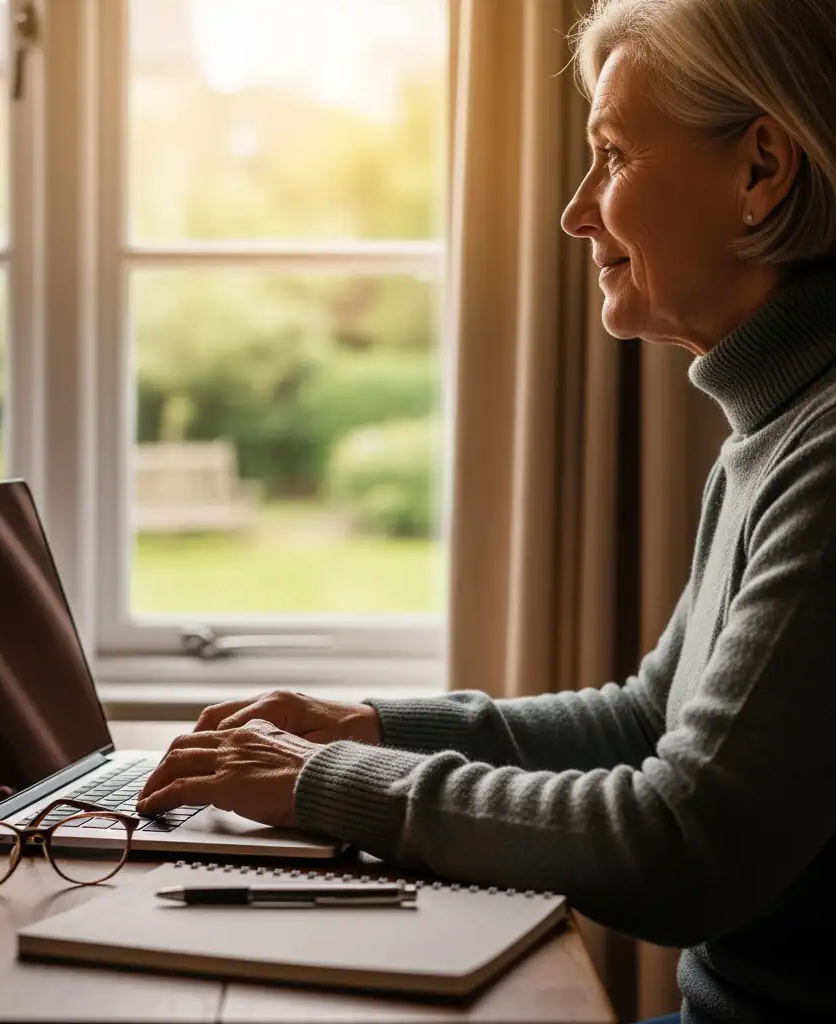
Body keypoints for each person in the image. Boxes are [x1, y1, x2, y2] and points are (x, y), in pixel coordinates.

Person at [138, 1, 836, 1021]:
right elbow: (646, 721)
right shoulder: (767, 432)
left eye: (609, 154)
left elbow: (685, 846)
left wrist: (325, 781)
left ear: (759, 170)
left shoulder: (822, 449)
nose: (576, 211)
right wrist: (367, 726)